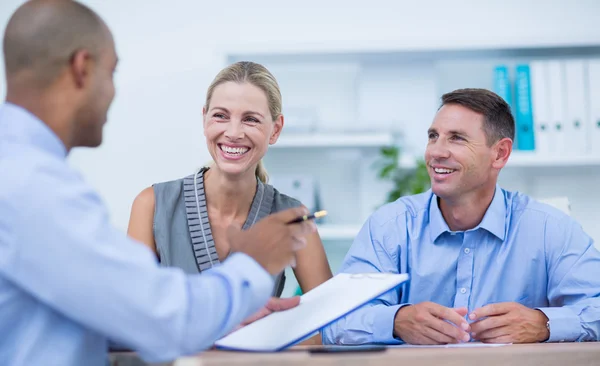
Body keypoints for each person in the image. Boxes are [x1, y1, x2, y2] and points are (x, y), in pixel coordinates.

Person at [0, 1, 316, 365]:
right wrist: (252, 263)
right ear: (82, 68)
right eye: (112, 73)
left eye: (250, 119)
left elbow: (113, 312)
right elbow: (160, 317)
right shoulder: (33, 186)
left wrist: (221, 321)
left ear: (275, 128)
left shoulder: (20, 171)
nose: (113, 93)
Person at [322, 88, 600, 345]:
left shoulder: (550, 228)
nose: (436, 152)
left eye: (456, 138)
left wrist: (544, 323)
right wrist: (395, 321)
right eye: (433, 136)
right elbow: (335, 321)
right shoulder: (389, 227)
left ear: (500, 153)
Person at [127, 61, 333, 297]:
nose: (234, 133)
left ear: (275, 130)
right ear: (205, 119)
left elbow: (328, 323)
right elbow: (132, 313)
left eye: (251, 119)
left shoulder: (294, 219)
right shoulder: (151, 205)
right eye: (220, 116)